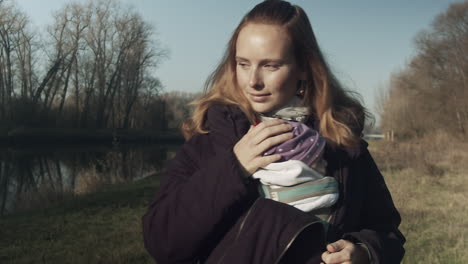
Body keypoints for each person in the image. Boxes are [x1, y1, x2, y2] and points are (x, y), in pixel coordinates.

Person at [142, 1, 405, 263]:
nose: (253, 81)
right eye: (243, 64)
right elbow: (161, 240)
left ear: (303, 67)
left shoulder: (342, 143)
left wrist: (363, 251)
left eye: (270, 65)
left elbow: (387, 233)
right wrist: (234, 167)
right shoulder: (212, 138)